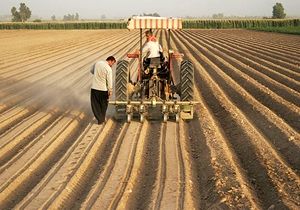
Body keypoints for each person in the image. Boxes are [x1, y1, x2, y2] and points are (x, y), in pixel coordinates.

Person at [90, 56, 116, 124]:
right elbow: (109, 81)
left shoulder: (97, 63)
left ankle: (99, 119)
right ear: (110, 60)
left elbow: (91, 71)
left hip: (94, 88)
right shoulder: (108, 69)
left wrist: (97, 74)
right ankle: (102, 118)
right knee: (104, 105)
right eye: (112, 63)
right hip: (103, 90)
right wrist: (110, 90)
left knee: (95, 105)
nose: (112, 65)